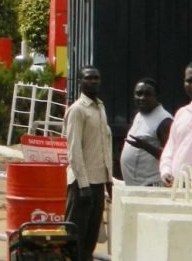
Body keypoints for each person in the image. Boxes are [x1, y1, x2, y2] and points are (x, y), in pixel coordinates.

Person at [64, 66, 112, 261]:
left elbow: (104, 145)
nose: (93, 81)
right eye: (89, 78)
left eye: (96, 78)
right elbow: (74, 151)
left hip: (98, 182)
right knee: (74, 237)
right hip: (81, 185)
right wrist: (83, 185)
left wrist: (108, 179)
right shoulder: (77, 110)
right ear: (80, 82)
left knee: (91, 237)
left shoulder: (100, 107)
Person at [120, 78, 173, 186]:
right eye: (138, 94)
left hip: (151, 187)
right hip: (133, 186)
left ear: (156, 97)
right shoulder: (140, 115)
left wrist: (146, 146)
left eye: (147, 94)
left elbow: (170, 156)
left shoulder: (164, 121)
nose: (142, 98)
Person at [160, 62, 192, 186]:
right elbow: (170, 148)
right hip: (177, 189)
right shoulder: (182, 114)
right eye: (189, 80)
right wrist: (166, 171)